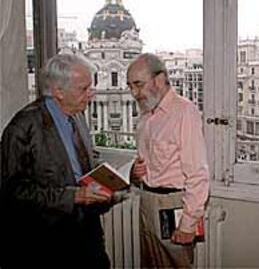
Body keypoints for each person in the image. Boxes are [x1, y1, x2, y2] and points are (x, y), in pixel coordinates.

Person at [0, 54, 113, 268]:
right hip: (47, 244)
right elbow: (13, 193)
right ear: (58, 91)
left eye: (91, 86)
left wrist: (113, 176)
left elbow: (82, 162)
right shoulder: (23, 127)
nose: (92, 94)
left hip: (88, 237)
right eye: (84, 89)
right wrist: (74, 196)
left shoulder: (77, 115)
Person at [127, 53, 209, 268]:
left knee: (175, 264)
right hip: (147, 201)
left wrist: (188, 223)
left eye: (138, 84)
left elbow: (198, 173)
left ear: (160, 79)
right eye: (131, 86)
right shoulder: (147, 115)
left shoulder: (185, 111)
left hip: (174, 205)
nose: (134, 93)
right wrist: (136, 173)